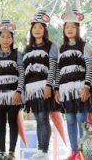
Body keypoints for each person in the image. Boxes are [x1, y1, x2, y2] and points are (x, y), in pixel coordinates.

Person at [54, 10, 92, 160]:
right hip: (66, 90)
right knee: (70, 120)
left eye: (73, 26)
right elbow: (59, 71)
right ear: (64, 30)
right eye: (66, 27)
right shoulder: (61, 49)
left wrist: (86, 86)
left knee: (80, 118)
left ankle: (84, 151)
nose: (69, 29)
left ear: (78, 28)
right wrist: (57, 89)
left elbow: (90, 68)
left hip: (80, 88)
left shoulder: (85, 46)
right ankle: (74, 151)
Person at [0, 20, 24, 160]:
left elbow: (21, 74)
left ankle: (12, 153)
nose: (6, 40)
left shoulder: (17, 55)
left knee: (13, 122)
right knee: (0, 122)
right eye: (3, 36)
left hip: (13, 95)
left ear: (12, 39)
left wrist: (19, 91)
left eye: (9, 37)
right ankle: (1, 152)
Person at [23, 11, 58, 160]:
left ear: (45, 30)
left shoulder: (51, 46)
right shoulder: (27, 48)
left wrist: (49, 85)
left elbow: (53, 67)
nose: (37, 30)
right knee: (38, 119)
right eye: (34, 27)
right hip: (31, 89)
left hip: (44, 86)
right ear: (31, 30)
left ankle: (44, 150)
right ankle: (40, 149)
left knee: (43, 118)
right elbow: (24, 71)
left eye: (40, 27)